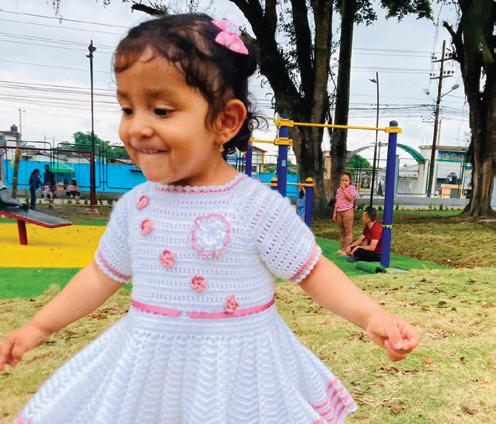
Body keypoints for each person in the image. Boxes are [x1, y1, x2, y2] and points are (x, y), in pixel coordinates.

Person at [0, 14, 419, 423]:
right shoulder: (133, 207)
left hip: (240, 375)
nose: (138, 127)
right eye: (128, 109)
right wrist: (40, 326)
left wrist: (372, 317)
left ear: (225, 121)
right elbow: (100, 276)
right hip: (151, 373)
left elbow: (312, 271)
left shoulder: (257, 206)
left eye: (160, 110)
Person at [333, 172, 357, 255]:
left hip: (347, 211)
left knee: (348, 231)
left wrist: (344, 190)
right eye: (342, 180)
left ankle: (347, 250)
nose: (344, 182)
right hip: (339, 211)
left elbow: (350, 198)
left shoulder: (352, 188)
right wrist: (334, 213)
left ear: (350, 181)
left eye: (346, 180)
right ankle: (341, 249)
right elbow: (337, 201)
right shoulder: (338, 189)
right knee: (342, 231)